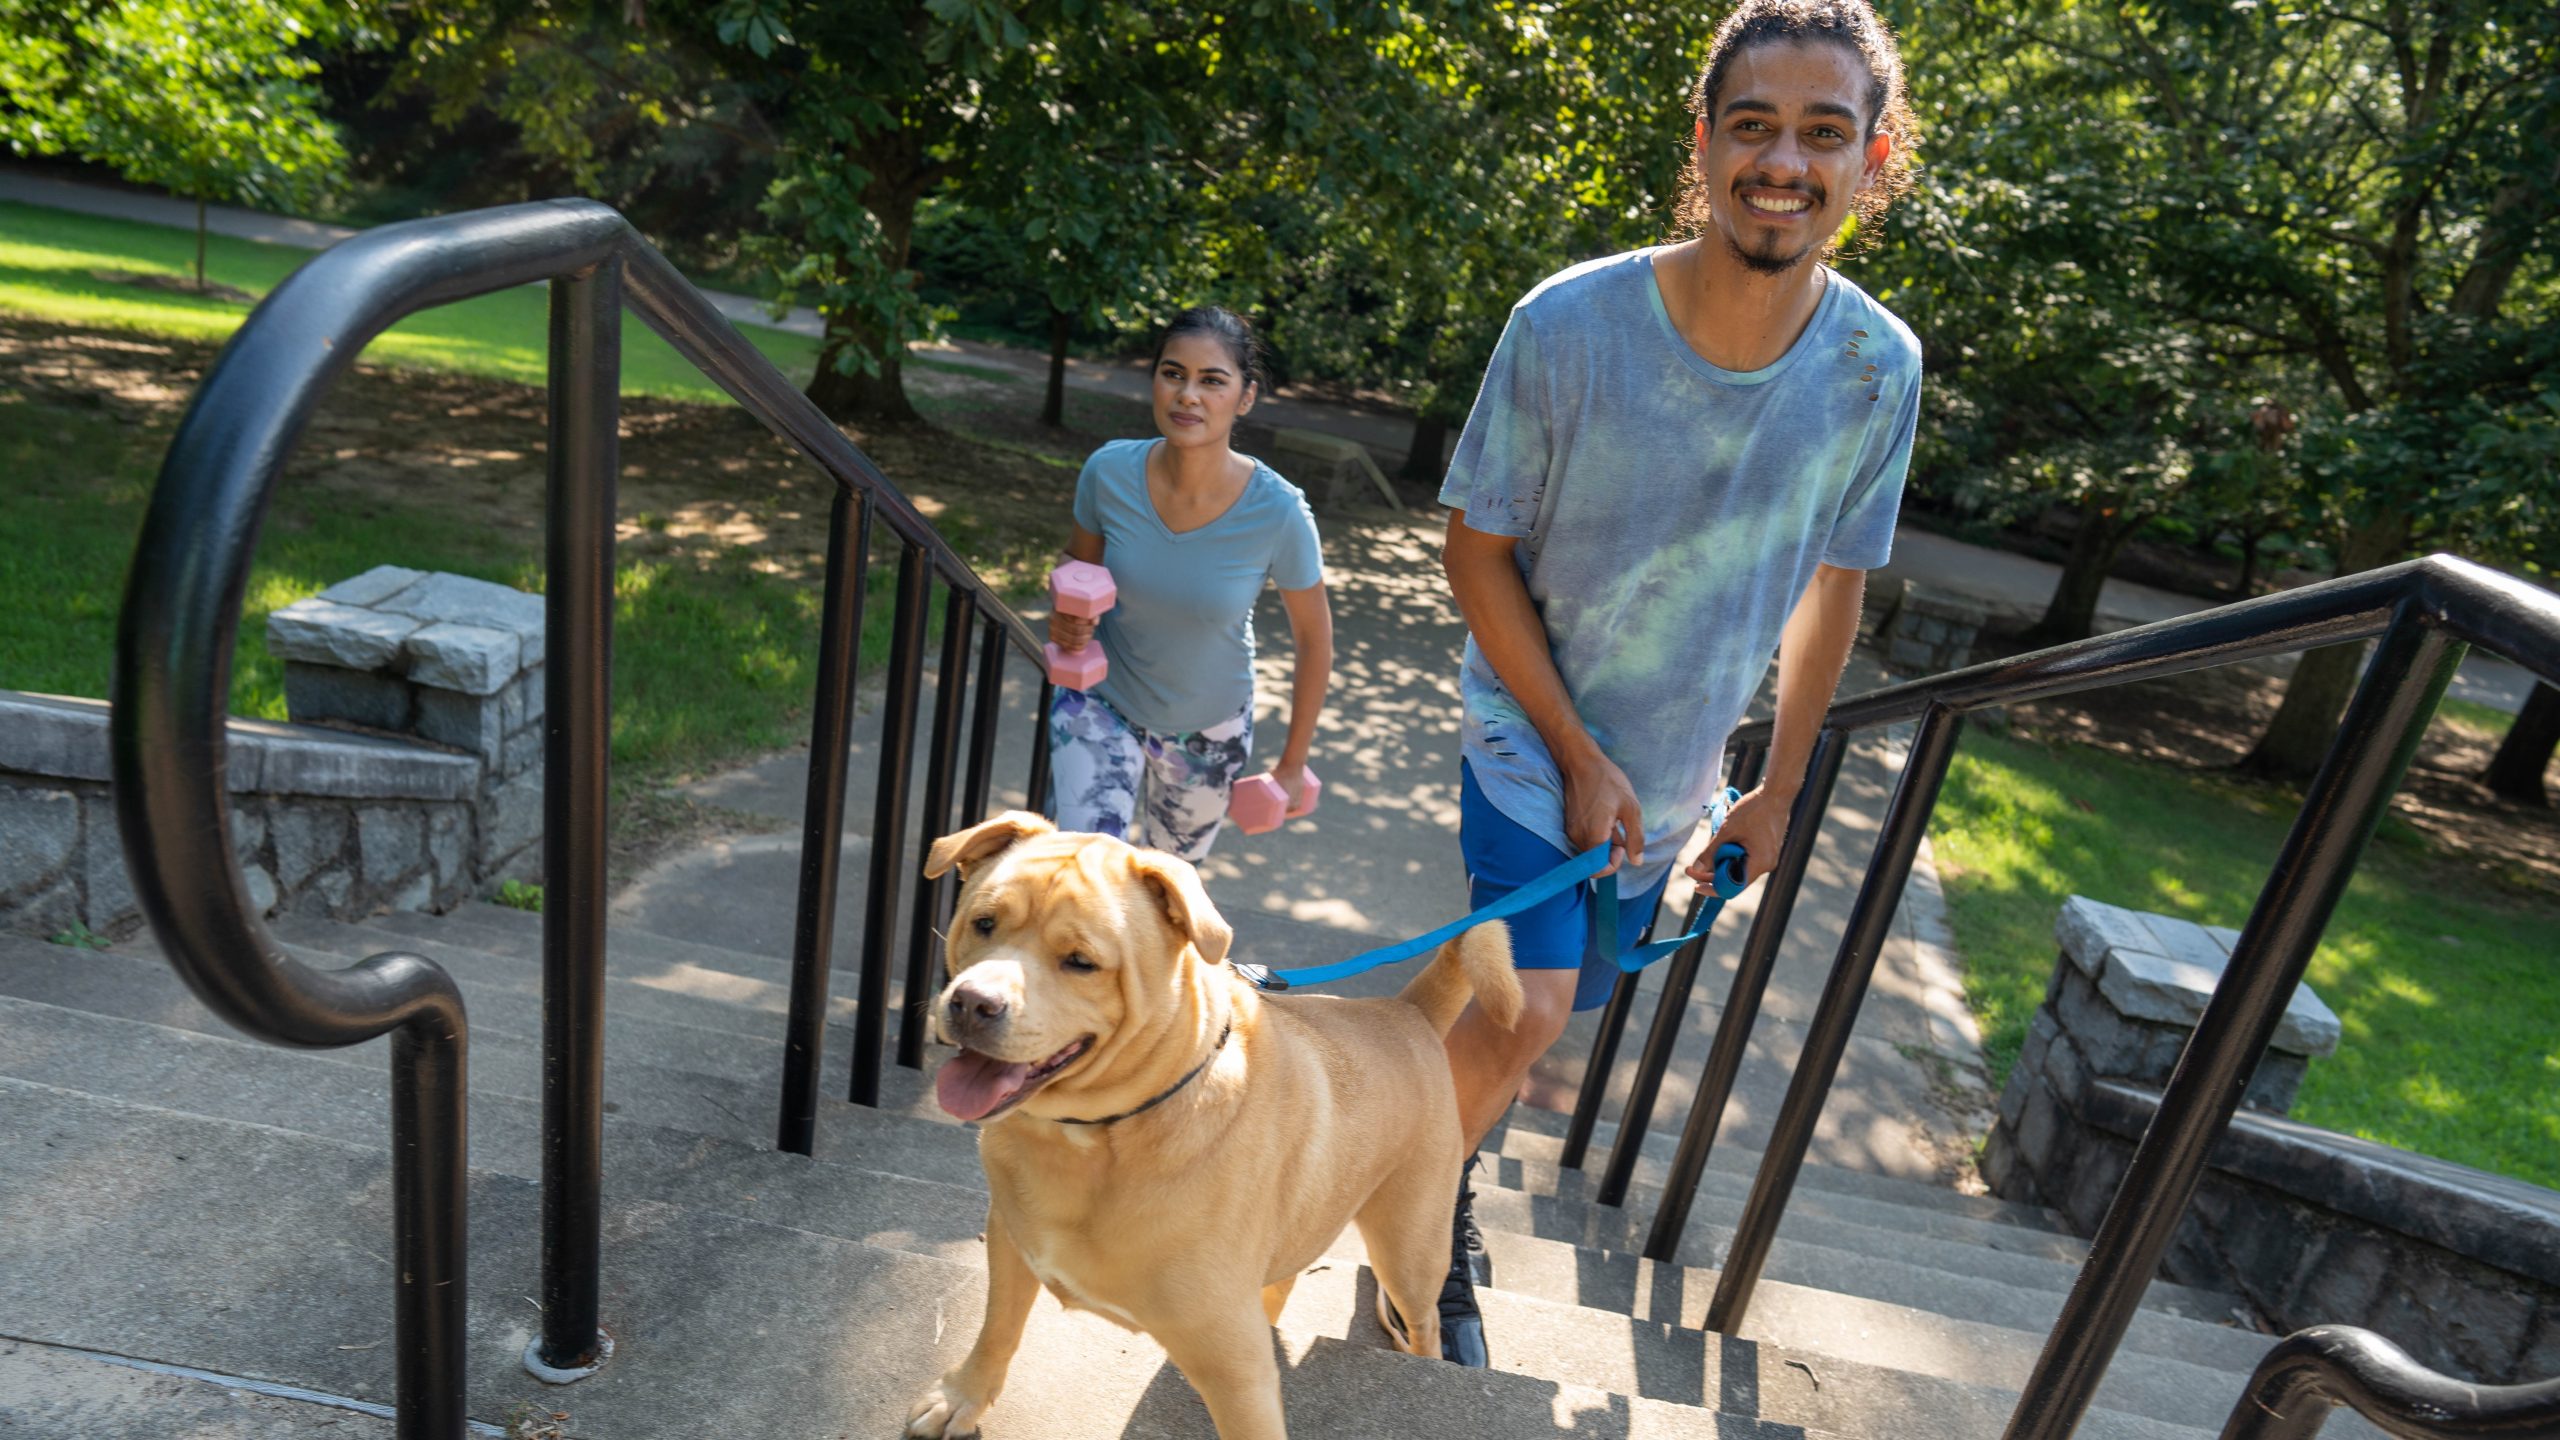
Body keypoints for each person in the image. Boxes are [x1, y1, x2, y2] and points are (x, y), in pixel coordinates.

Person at [1422, 0, 1924, 1367]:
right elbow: (1475, 549)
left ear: (1871, 159)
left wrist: (1775, 786)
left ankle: (1422, 1152)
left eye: (1826, 132)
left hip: (1678, 777)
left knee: (1532, 1013)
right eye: (1754, 125)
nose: (1786, 161)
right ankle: (1419, 1226)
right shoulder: (1569, 325)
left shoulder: (1879, 372)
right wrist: (1578, 755)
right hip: (1531, 733)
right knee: (1525, 1010)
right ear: (1704, 145)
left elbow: (1836, 585)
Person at [1045, 306, 1333, 861]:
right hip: (1101, 704)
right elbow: (1076, 567)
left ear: (1245, 397)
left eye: (1212, 381)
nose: (1187, 396)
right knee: (1083, 876)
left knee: (1163, 899)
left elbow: (1314, 641)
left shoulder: (1280, 511)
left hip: (1208, 732)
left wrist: (1293, 762)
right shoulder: (1108, 472)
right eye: (1173, 373)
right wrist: (1066, 616)